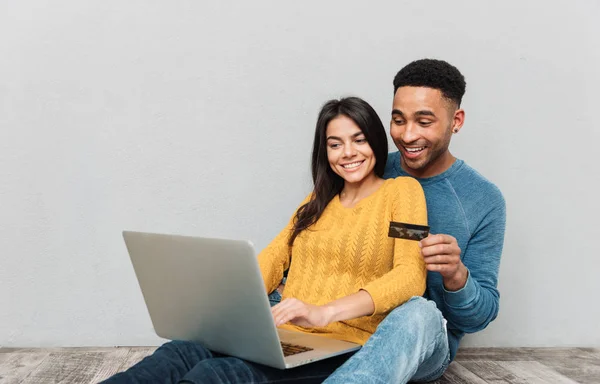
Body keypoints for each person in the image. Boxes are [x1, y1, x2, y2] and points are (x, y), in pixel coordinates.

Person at [102, 96, 429, 383]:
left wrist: (324, 312)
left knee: (216, 374)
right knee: (179, 352)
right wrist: (223, 308)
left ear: (374, 140)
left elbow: (410, 275)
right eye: (335, 143)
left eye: (358, 140)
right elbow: (271, 261)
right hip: (283, 336)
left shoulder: (401, 194)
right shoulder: (316, 201)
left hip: (345, 343)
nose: (348, 153)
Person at [321, 59, 507, 383]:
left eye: (424, 121)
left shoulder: (484, 200)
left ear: (456, 120)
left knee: (417, 313)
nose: (407, 135)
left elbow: (481, 315)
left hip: (422, 342)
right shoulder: (367, 168)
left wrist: (456, 275)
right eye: (398, 119)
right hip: (346, 326)